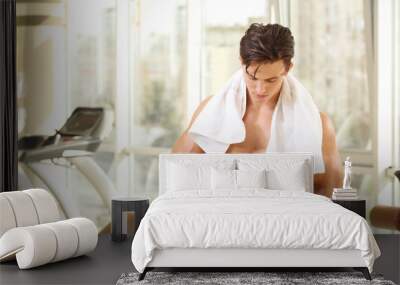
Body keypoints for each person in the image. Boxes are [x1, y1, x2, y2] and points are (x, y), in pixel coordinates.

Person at [171, 23, 342, 197]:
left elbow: (330, 195)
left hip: (284, 219)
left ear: (288, 68)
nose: (260, 89)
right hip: (222, 217)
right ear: (241, 62)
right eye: (252, 78)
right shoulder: (210, 111)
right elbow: (177, 174)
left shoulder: (318, 126)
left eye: (271, 80)